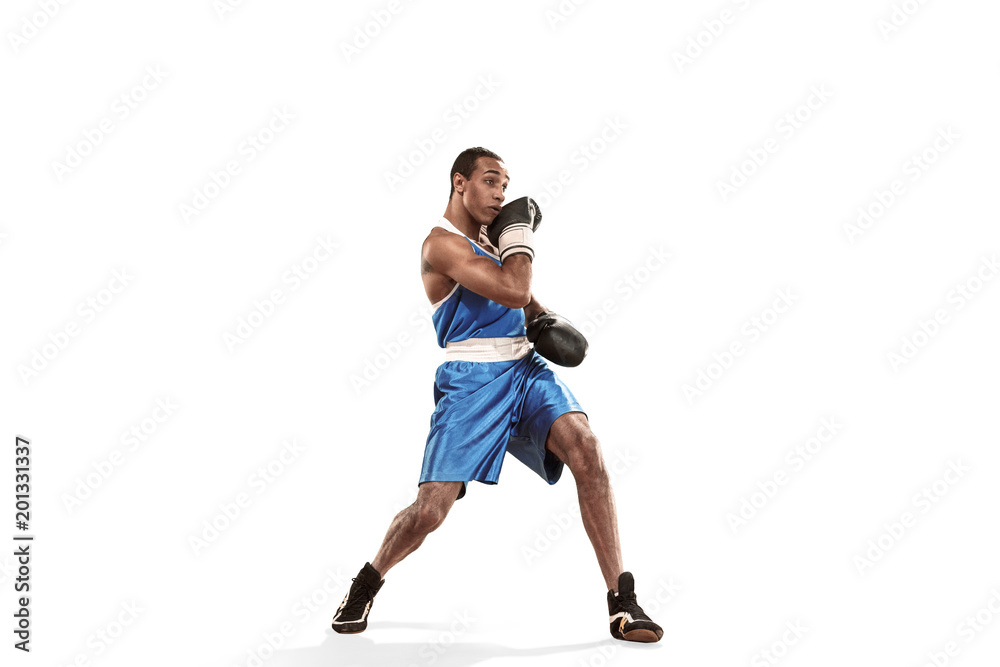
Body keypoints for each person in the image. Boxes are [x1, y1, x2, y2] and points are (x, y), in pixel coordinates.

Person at [332, 147, 662, 643]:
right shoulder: (440, 245)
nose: (501, 194)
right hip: (471, 381)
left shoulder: (492, 240)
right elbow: (511, 288)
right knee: (430, 511)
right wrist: (518, 236)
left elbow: (522, 302)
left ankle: (623, 602)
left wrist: (545, 321)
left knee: (587, 450)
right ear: (459, 182)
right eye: (490, 181)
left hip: (523, 370)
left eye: (506, 186)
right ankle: (367, 580)